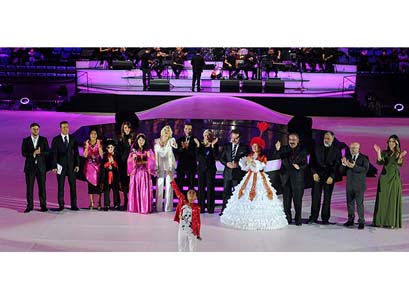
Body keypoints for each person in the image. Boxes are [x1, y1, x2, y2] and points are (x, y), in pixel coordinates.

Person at [220, 123, 288, 230]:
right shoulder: (249, 155)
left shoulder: (262, 156)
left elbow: (259, 167)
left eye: (257, 146)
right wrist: (246, 163)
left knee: (260, 195)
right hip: (246, 176)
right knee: (236, 193)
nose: (254, 147)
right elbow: (245, 167)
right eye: (253, 145)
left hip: (259, 178)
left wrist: (253, 162)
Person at [272, 133, 308, 226]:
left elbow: (305, 164)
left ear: (298, 141)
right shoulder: (284, 149)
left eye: (293, 140)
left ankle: (298, 219)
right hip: (285, 179)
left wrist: (299, 167)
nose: (291, 141)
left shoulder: (303, 150)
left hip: (297, 179)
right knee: (286, 201)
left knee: (297, 200)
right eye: (290, 140)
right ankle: (287, 218)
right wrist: (277, 149)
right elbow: (276, 156)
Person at [373, 135, 407, 228]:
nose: (391, 143)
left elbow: (399, 163)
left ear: (397, 143)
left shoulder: (398, 153)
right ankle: (380, 221)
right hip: (384, 178)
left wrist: (400, 156)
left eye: (393, 141)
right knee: (382, 200)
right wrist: (379, 152)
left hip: (394, 179)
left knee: (392, 200)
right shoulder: (384, 152)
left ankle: (391, 222)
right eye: (389, 141)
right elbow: (380, 162)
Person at [307, 131, 341, 224]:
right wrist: (314, 173)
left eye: (328, 138)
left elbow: (336, 166)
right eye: (325, 137)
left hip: (329, 177)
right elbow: (312, 162)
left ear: (333, 139)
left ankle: (325, 219)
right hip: (317, 175)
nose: (326, 139)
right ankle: (313, 217)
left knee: (327, 198)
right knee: (315, 197)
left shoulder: (336, 151)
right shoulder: (316, 148)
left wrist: (332, 177)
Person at [51, 121, 80, 211]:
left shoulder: (73, 138)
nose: (65, 129)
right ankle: (61, 205)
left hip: (71, 166)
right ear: (60, 128)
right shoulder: (56, 139)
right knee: (61, 186)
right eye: (63, 127)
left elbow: (76, 153)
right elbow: (54, 154)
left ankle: (74, 205)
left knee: (73, 186)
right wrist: (54, 166)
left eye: (67, 127)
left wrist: (77, 164)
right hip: (60, 166)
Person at [219, 129, 249, 215]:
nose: (234, 140)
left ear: (240, 138)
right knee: (226, 193)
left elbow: (247, 160)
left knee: (238, 194)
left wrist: (238, 165)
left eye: (236, 138)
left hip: (238, 174)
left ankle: (237, 212)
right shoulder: (227, 146)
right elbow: (221, 158)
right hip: (228, 173)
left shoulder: (245, 148)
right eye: (232, 138)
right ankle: (224, 210)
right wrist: (226, 163)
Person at [21, 123, 50, 213]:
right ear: (30, 130)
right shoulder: (26, 140)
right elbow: (23, 153)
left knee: (42, 187)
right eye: (34, 129)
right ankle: (29, 206)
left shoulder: (43, 139)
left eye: (37, 129)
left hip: (41, 168)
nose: (36, 130)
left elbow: (48, 152)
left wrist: (40, 153)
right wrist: (33, 154)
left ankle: (43, 205)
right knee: (29, 188)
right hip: (30, 168)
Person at [170, 171, 201, 252]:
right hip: (182, 231)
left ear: (195, 197)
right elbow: (176, 190)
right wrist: (171, 178)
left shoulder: (197, 208)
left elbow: (198, 222)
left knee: (192, 249)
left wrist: (198, 233)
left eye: (193, 193)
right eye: (189, 192)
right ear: (186, 195)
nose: (191, 194)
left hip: (192, 231)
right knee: (181, 248)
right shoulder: (182, 201)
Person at [340, 142, 369, 230]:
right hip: (350, 185)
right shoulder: (347, 158)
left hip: (359, 185)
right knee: (350, 204)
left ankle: (361, 221)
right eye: (351, 148)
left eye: (354, 148)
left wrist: (354, 166)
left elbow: (365, 170)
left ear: (358, 148)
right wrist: (343, 164)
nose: (352, 149)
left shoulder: (364, 158)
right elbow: (341, 171)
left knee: (359, 204)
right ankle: (350, 220)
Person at [127, 133, 156, 214]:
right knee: (135, 188)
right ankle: (135, 207)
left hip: (145, 173)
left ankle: (144, 207)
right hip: (136, 173)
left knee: (144, 189)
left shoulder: (148, 150)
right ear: (137, 141)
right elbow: (129, 161)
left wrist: (149, 158)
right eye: (139, 140)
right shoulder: (134, 150)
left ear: (145, 141)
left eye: (143, 140)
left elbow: (152, 162)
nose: (141, 141)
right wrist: (133, 159)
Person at [154, 125, 178, 212]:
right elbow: (155, 156)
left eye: (168, 130)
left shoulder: (171, 140)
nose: (166, 131)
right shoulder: (156, 142)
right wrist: (156, 167)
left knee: (169, 188)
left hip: (169, 168)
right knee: (159, 186)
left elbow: (175, 146)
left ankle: (168, 208)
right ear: (162, 131)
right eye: (165, 130)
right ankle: (158, 207)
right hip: (159, 167)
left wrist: (174, 144)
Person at [195, 129, 219, 213]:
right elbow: (197, 157)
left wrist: (212, 146)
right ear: (203, 136)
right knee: (201, 188)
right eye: (205, 135)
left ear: (211, 136)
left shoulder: (214, 145)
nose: (207, 137)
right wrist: (198, 145)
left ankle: (210, 208)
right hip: (201, 170)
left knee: (210, 188)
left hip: (210, 170)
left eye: (209, 135)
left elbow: (216, 156)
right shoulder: (200, 145)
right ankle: (200, 208)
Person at [83, 128, 104, 210]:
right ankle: (91, 202)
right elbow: (85, 156)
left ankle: (99, 202)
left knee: (99, 186)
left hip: (98, 166)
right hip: (89, 167)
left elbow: (102, 155)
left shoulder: (100, 142)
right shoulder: (86, 142)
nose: (93, 135)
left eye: (95, 134)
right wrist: (87, 147)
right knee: (90, 186)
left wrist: (99, 146)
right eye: (92, 134)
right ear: (89, 135)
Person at [176, 123, 198, 191]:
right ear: (184, 129)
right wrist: (182, 148)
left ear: (191, 130)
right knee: (180, 185)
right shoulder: (180, 140)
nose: (187, 130)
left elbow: (196, 153)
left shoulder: (195, 140)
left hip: (191, 166)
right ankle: (181, 201)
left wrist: (188, 148)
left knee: (191, 186)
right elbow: (176, 152)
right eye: (186, 129)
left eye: (189, 129)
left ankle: (190, 201)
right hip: (181, 166)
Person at [117, 122, 134, 210]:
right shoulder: (120, 139)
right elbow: (119, 152)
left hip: (132, 164)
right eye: (125, 128)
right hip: (123, 164)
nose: (126, 129)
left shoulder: (133, 138)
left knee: (131, 183)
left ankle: (132, 201)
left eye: (128, 127)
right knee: (124, 183)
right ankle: (125, 200)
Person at [100, 140, 121, 211]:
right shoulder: (105, 156)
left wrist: (113, 162)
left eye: (112, 147)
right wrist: (108, 163)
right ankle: (106, 204)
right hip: (107, 176)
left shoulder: (117, 155)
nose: (110, 149)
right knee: (106, 191)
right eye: (109, 147)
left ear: (114, 148)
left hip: (114, 176)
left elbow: (119, 166)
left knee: (115, 190)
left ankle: (117, 204)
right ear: (107, 148)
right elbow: (102, 166)